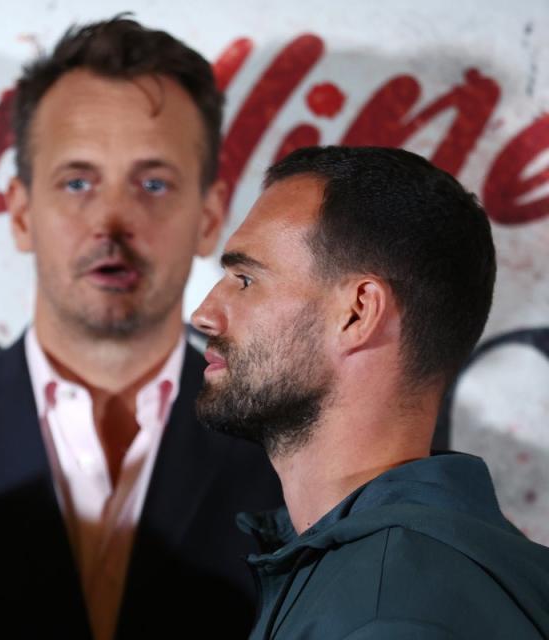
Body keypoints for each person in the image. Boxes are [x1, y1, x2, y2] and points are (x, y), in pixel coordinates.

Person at [0, 17, 282, 640]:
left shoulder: (290, 450)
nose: (111, 222)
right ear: (21, 213)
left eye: (153, 184)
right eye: (77, 182)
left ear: (210, 219)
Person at [191, 145, 549, 639]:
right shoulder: (406, 573)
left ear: (358, 313)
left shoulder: (390, 610)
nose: (204, 314)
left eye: (246, 279)